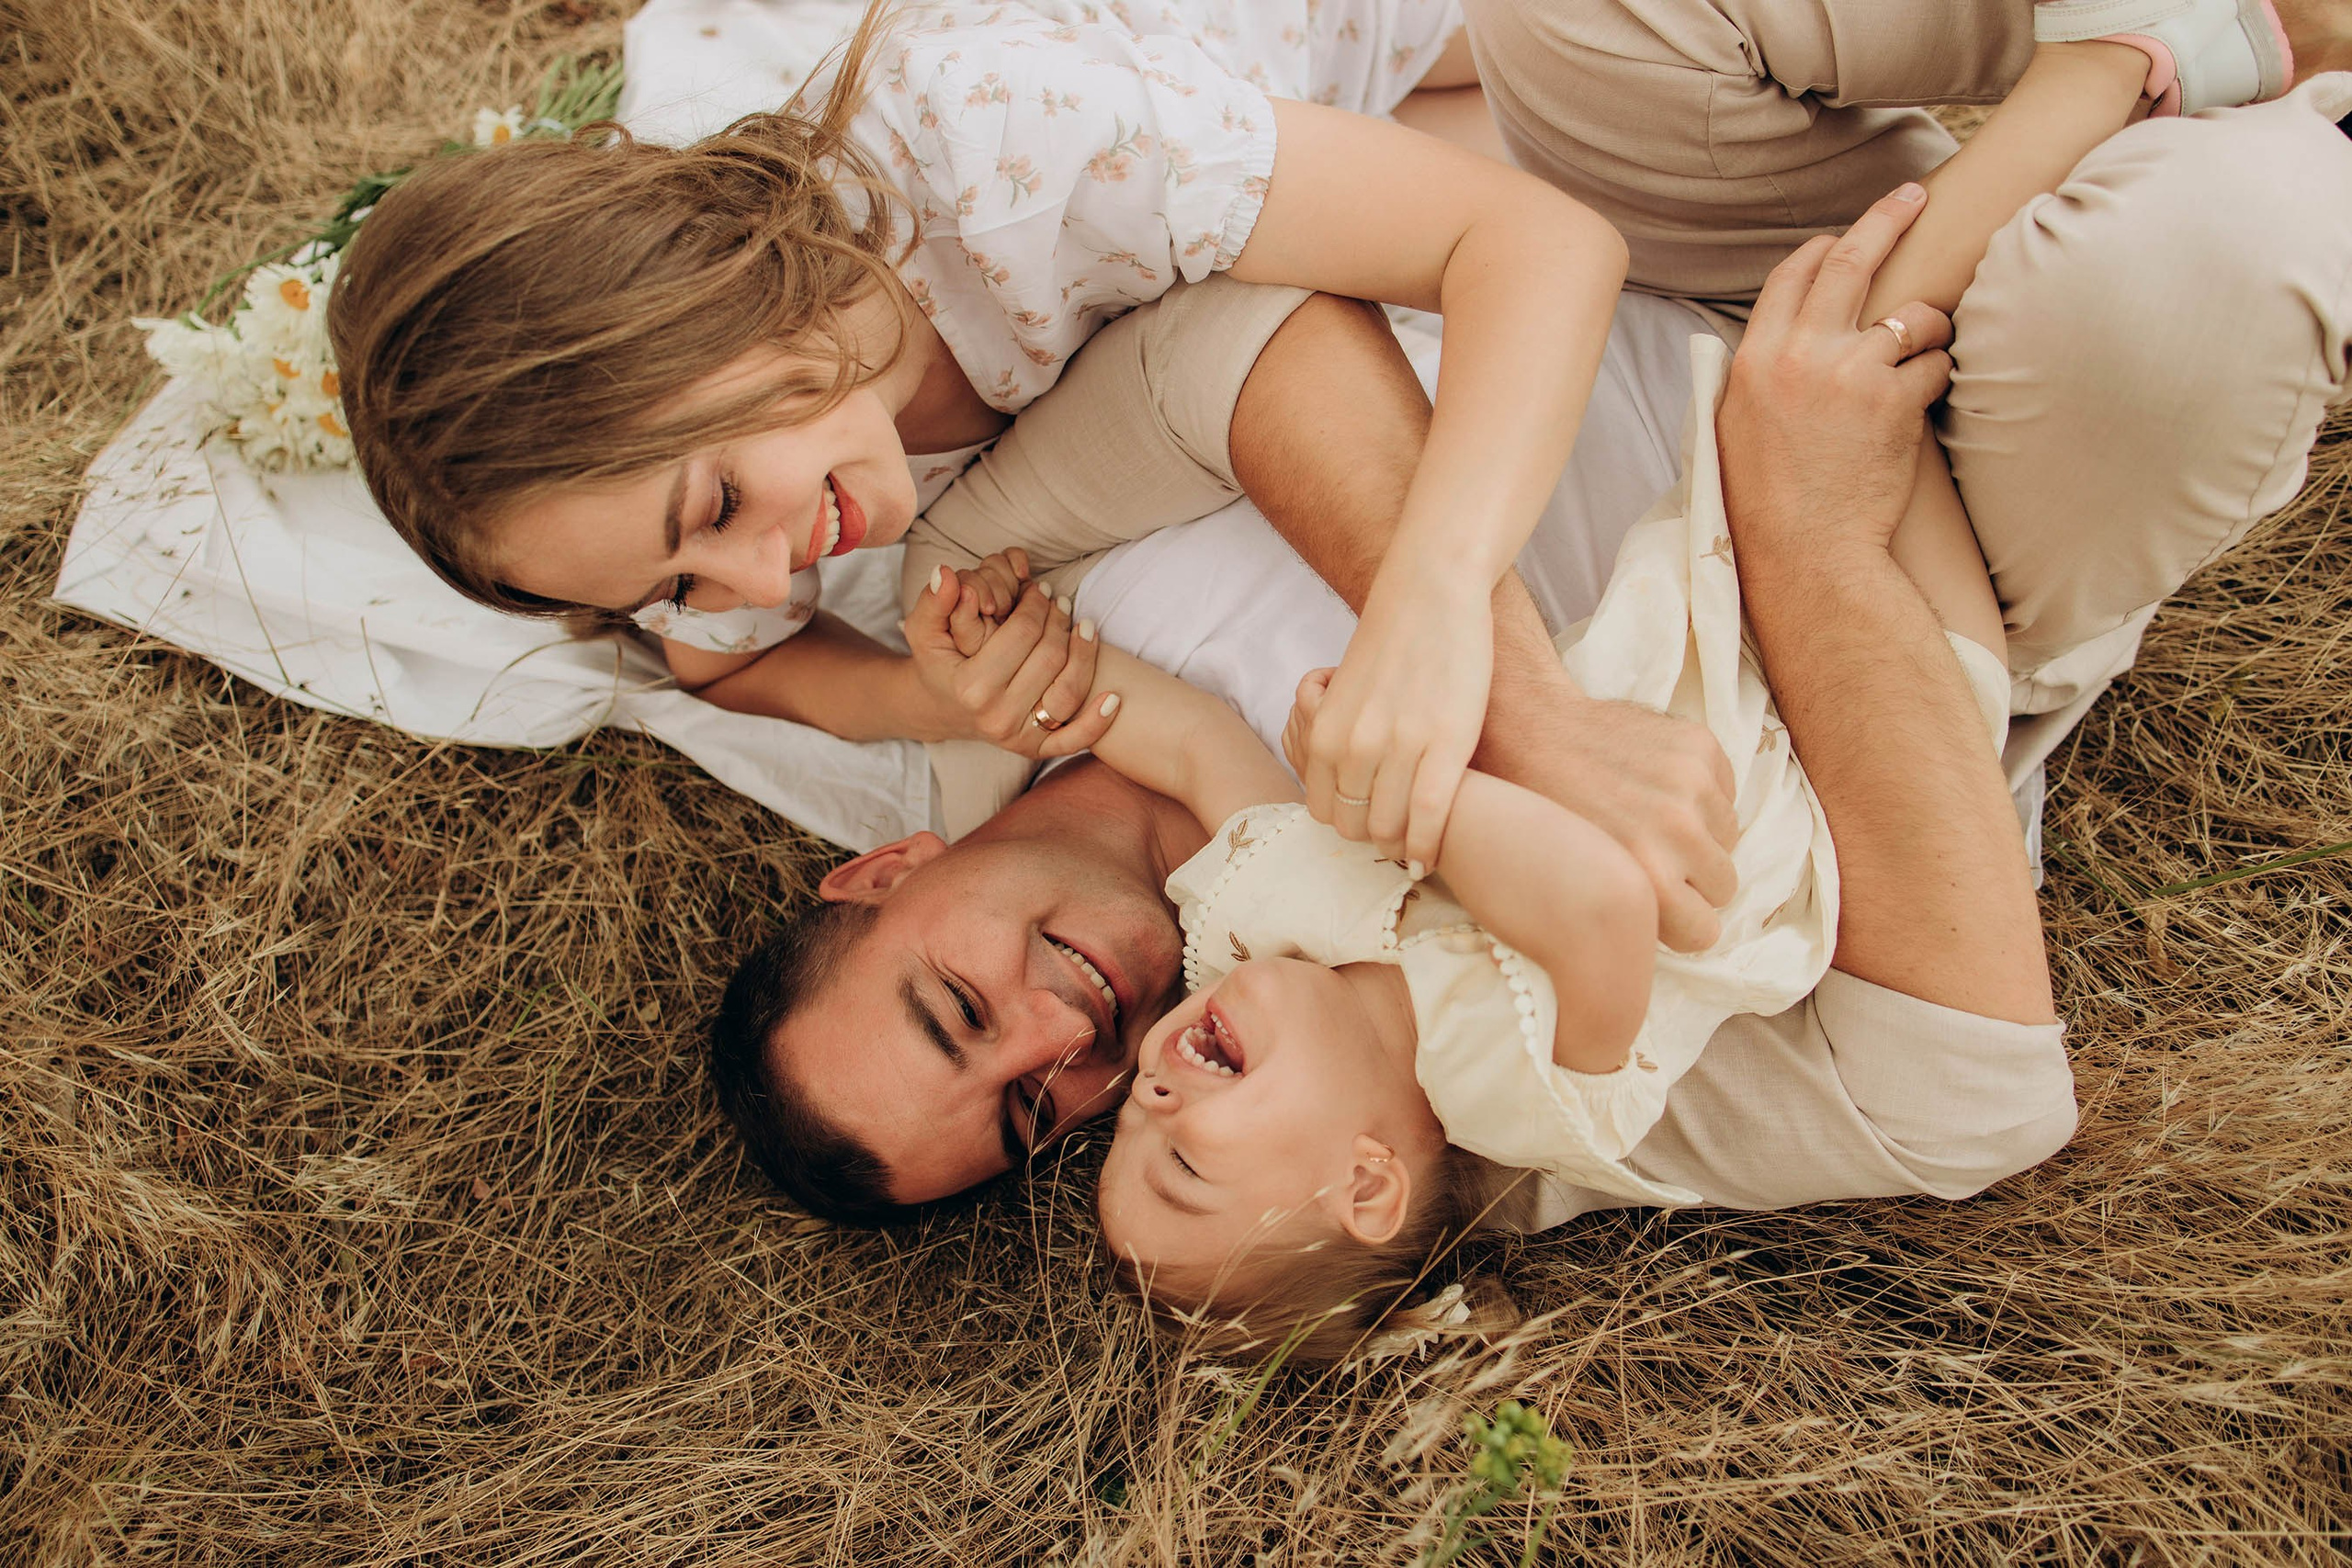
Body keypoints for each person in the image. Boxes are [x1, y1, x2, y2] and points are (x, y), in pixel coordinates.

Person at [711, 0, 2352, 1225]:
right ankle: (2218, 63)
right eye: (1033, 1119)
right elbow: (1965, 1102)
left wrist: (1512, 708)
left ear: (887, 872)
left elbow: (1240, 332)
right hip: (1940, 522)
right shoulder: (1358, 1083)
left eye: (959, 1009)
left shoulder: (985, 626)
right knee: (2212, 270)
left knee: (1567, 13)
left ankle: (2178, 36)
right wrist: (1810, 529)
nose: (1061, 1043)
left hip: (1693, 259)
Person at [1069, 32, 2162, 1363]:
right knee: (1853, 339)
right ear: (1366, 1185)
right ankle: (2108, 73)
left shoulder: (1243, 933)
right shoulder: (1514, 1101)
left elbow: (1196, 750)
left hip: (1700, 623)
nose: (1152, 1095)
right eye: (1186, 1165)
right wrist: (1418, 800)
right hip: (1858, 701)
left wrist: (1024, 675)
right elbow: (1597, 906)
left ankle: (2109, 87)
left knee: (1799, 351)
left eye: (1129, 1129)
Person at [325, 0, 1649, 871]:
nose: (757, 582)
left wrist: (1431, 605)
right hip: (1268, 131)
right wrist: (924, 698)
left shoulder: (995, 148)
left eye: (716, 509)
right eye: (673, 585)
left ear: (705, 297)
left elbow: (1537, 245)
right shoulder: (737, 480)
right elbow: (726, 670)